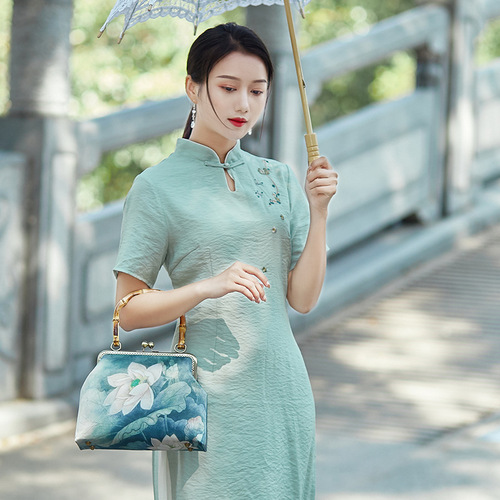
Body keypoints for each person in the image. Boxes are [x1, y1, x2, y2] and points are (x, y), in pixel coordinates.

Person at [113, 22, 338, 500]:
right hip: (205, 399)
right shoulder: (156, 187)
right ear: (193, 86)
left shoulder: (277, 177)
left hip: (283, 388)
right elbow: (128, 310)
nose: (244, 105)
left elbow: (303, 298)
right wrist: (206, 287)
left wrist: (318, 213)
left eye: (257, 91)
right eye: (228, 87)